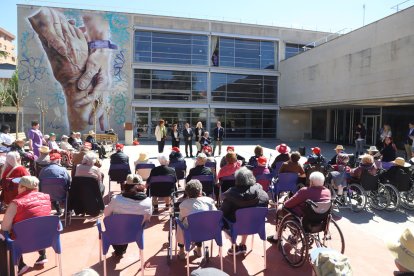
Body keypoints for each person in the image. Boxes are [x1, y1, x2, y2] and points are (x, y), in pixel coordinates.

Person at [1, 176, 52, 274]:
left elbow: (4, 227)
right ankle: (43, 255)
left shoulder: (15, 203)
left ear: (24, 188)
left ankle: (20, 265)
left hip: (22, 243)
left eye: (19, 186)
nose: (17, 188)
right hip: (45, 239)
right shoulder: (47, 197)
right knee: (38, 225)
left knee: (4, 235)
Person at [267, 171, 331, 245]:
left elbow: (288, 204)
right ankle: (294, 236)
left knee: (280, 209)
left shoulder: (305, 191)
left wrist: (283, 202)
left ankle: (276, 237)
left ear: (312, 182)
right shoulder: (327, 192)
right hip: (321, 220)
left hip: (304, 219)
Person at [220, 167, 269, 255]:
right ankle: (243, 244)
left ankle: (234, 246)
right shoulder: (263, 194)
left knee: (222, 220)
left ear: (237, 180)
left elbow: (223, 212)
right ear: (252, 178)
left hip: (236, 226)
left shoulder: (230, 195)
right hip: (256, 225)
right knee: (247, 217)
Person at [104, 174, 153, 257]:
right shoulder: (148, 201)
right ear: (141, 186)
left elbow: (106, 214)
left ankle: (119, 249)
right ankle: (121, 248)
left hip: (118, 231)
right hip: (136, 232)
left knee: (114, 220)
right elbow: (147, 218)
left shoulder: (116, 199)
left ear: (126, 186)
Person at [176, 179, 217, 259]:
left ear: (187, 193)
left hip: (191, 232)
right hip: (208, 231)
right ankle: (198, 249)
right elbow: (215, 214)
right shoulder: (210, 201)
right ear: (200, 191)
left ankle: (181, 250)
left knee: (180, 223)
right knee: (200, 222)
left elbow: (181, 219)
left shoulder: (184, 204)